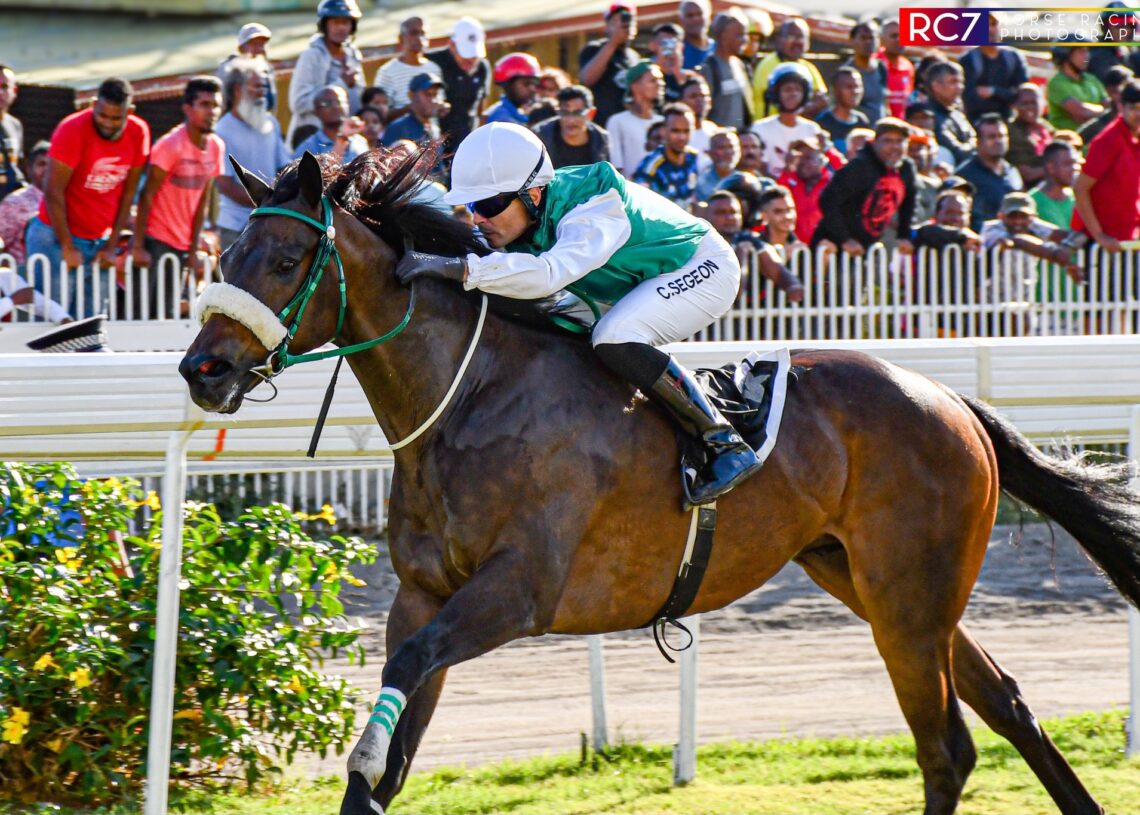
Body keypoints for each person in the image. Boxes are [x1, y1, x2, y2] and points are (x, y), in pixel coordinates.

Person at [401, 122, 763, 504]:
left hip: (702, 267)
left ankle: (724, 442)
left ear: (534, 194)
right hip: (631, 280)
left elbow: (549, 274)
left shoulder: (593, 205)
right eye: (471, 207)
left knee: (614, 336)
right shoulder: (522, 219)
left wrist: (460, 268)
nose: (478, 218)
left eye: (489, 205)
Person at [27, 78, 149, 318]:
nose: (107, 123)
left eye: (116, 118)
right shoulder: (71, 129)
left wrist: (112, 246)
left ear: (130, 112)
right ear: (93, 104)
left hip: (99, 241)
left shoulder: (138, 132)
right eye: (102, 115)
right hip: (54, 236)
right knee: (55, 323)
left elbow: (128, 194)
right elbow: (53, 192)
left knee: (92, 322)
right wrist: (67, 245)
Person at [131, 77, 224, 320]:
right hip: (156, 241)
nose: (211, 111)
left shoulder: (216, 147)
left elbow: (202, 200)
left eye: (215, 105)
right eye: (204, 104)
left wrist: (193, 249)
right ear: (187, 108)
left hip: (183, 245)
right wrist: (139, 246)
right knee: (144, 313)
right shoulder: (170, 145)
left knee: (169, 313)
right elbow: (146, 195)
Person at [214, 59, 290, 250]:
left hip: (271, 223)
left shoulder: (271, 123)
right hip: (236, 227)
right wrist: (266, 203)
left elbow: (284, 167)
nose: (263, 92)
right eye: (257, 86)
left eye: (264, 86)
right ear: (238, 90)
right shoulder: (221, 130)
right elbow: (225, 184)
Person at [811, 118, 916, 256]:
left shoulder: (906, 168)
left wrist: (904, 235)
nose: (894, 147)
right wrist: (845, 239)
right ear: (874, 143)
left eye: (900, 141)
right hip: (835, 247)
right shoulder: (860, 166)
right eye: (888, 141)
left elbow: (909, 203)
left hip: (868, 247)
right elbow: (827, 200)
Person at [287, 0, 366, 148]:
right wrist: (341, 84)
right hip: (312, 143)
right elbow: (298, 103)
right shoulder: (311, 56)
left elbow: (357, 104)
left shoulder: (354, 56)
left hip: (345, 141)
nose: (341, 27)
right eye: (335, 22)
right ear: (324, 25)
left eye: (346, 22)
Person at [1073, 79, 1140, 250]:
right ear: (1120, 107)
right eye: (1134, 108)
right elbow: (1080, 188)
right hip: (1102, 246)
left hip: (1128, 240)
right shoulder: (1108, 140)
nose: (1139, 115)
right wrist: (1099, 235)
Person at [705, 190, 805, 303]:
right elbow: (732, 294)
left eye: (734, 212)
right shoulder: (697, 245)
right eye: (721, 212)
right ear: (706, 216)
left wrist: (792, 285)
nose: (729, 217)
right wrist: (740, 256)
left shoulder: (747, 238)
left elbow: (773, 264)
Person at [427, 17, 491, 153]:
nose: (471, 60)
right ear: (452, 45)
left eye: (475, 56)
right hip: (437, 144)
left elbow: (481, 107)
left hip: (468, 142)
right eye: (466, 54)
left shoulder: (483, 68)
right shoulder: (431, 63)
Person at [751, 63, 825, 177]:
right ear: (776, 93)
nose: (793, 94)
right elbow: (760, 168)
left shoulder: (811, 128)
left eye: (798, 90)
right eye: (787, 89)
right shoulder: (760, 128)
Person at [956, 113, 1022, 232]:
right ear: (978, 142)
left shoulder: (1013, 172)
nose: (998, 141)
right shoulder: (965, 176)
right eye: (992, 137)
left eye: (1002, 136)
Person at [578, 3, 641, 127]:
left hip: (627, 124)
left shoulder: (634, 57)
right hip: (601, 124)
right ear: (607, 26)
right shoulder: (594, 49)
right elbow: (587, 79)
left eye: (628, 19)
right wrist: (613, 42)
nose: (624, 24)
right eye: (616, 20)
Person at [751, 18, 828, 118]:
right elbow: (786, 109)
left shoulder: (808, 67)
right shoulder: (769, 66)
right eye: (790, 36)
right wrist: (812, 106)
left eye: (801, 37)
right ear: (778, 39)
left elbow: (822, 100)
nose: (796, 42)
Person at [960, 16, 1028, 122]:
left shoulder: (1014, 57)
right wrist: (1005, 96)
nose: (989, 30)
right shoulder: (968, 60)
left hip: (1007, 120)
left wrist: (994, 91)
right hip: (976, 122)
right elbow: (969, 97)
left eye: (993, 24)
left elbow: (1022, 94)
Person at [633, 103, 700, 208]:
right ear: (664, 131)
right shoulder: (651, 164)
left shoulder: (693, 157)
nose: (682, 137)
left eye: (686, 131)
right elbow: (638, 203)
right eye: (675, 131)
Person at [697, 10, 753, 132]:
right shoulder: (709, 69)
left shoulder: (740, 65)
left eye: (745, 34)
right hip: (719, 142)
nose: (745, 40)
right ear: (723, 36)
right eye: (739, 35)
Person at [606, 60, 663, 178]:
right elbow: (616, 167)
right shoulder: (617, 122)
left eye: (661, 80)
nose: (660, 84)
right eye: (653, 80)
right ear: (635, 87)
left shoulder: (663, 121)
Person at [535, 85, 610, 169]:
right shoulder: (539, 135)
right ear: (557, 112)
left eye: (578, 113)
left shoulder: (602, 139)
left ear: (591, 113)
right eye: (565, 113)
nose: (571, 120)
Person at [0, 140, 48, 268]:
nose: (47, 169)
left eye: (52, 164)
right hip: (22, 279)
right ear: (29, 169)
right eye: (41, 164)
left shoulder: (72, 199)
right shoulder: (16, 202)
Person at [294, 84, 369, 161]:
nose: (335, 106)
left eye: (340, 101)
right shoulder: (308, 148)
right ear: (316, 112)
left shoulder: (360, 141)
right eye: (327, 103)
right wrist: (342, 139)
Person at [777, 136, 831, 244]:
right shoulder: (788, 181)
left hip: (825, 251)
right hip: (795, 251)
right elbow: (776, 200)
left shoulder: (832, 183)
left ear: (821, 160)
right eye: (798, 158)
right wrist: (788, 169)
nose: (802, 162)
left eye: (808, 157)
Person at [1047, 44, 1108, 133]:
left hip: (1094, 139)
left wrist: (1096, 110)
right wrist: (1103, 111)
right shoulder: (1056, 83)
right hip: (1069, 142)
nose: (1087, 56)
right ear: (1066, 55)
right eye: (1081, 51)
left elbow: (1110, 106)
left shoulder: (1091, 79)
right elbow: (1081, 113)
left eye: (1087, 51)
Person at [216, 22, 276, 113]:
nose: (260, 49)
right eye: (255, 44)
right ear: (242, 48)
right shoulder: (229, 71)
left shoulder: (266, 70)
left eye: (262, 44)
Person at [927, 62, 976, 165]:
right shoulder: (928, 116)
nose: (960, 87)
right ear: (936, 86)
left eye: (961, 82)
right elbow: (955, 150)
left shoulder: (957, 113)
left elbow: (974, 137)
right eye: (953, 82)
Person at [1006, 84, 1055, 187]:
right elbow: (1027, 174)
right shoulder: (1011, 131)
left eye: (1034, 103)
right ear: (1015, 106)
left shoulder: (1046, 127)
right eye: (1024, 103)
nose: (1030, 108)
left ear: (1043, 104)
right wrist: (1057, 168)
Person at [815, 66, 870, 156]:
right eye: (849, 87)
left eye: (858, 86)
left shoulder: (862, 121)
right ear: (835, 90)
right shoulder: (823, 122)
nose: (855, 91)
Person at [1078, 65, 1134, 145]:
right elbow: (1076, 140)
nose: (1118, 96)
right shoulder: (1102, 124)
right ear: (1108, 92)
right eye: (1114, 92)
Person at [1030, 141, 1081, 229]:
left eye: (1075, 163)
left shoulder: (1078, 199)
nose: (1075, 168)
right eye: (1068, 164)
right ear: (1051, 168)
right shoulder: (1032, 202)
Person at [381, 73, 443, 146]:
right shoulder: (397, 128)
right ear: (411, 95)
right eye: (428, 94)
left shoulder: (435, 129)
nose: (433, 100)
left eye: (435, 94)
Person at [844, 21, 887, 124]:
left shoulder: (881, 67)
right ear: (852, 41)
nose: (868, 42)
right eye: (863, 38)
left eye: (872, 38)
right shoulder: (846, 73)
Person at [914, 190, 982, 251]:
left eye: (961, 213)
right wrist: (961, 235)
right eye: (949, 212)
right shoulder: (925, 235)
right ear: (936, 214)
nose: (956, 218)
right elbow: (925, 232)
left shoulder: (975, 243)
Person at [484, 53, 540, 125]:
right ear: (508, 85)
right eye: (526, 83)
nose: (533, 89)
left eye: (535, 83)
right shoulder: (501, 119)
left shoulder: (521, 113)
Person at [878, 20, 914, 119]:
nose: (899, 39)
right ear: (882, 40)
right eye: (893, 36)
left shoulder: (908, 66)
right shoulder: (874, 63)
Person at [679, 75, 718, 164]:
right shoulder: (676, 134)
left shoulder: (714, 130)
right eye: (693, 96)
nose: (700, 100)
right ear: (681, 102)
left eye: (704, 96)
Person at [648, 23, 689, 103]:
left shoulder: (688, 76)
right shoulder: (641, 73)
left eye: (673, 43)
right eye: (664, 43)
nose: (669, 47)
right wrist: (658, 66)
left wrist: (678, 73)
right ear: (652, 45)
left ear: (681, 47)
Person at [0, 65, 23, 201]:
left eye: (4, 87)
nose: (0, 93)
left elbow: (16, 165)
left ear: (14, 90)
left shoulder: (15, 125)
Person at [695, 129, 739, 200]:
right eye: (721, 147)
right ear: (710, 153)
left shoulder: (746, 175)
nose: (728, 152)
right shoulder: (702, 182)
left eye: (731, 146)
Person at [679, 0, 713, 70]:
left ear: (709, 17)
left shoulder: (718, 48)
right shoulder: (678, 52)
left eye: (699, 14)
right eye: (689, 15)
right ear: (681, 20)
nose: (695, 19)